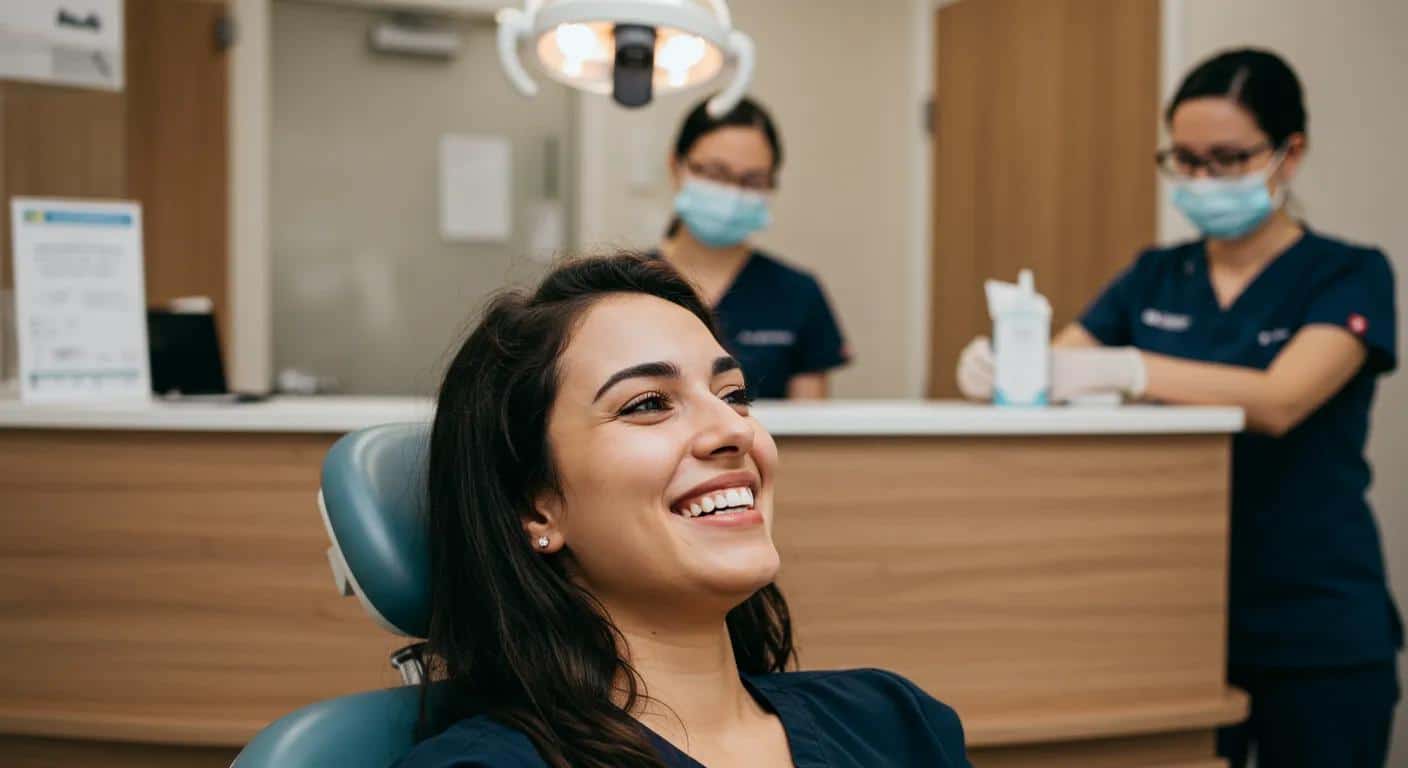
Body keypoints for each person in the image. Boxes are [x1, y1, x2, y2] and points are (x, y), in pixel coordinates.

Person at [958, 48, 1400, 767]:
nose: (1202, 180)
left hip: (1315, 617)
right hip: (1168, 617)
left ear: (1290, 154)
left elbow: (1282, 401)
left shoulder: (1349, 274)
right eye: (1185, 161)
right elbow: (1057, 364)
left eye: (1226, 159)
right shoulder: (1156, 276)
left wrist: (1130, 367)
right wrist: (1010, 366)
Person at [401, 253, 969, 767]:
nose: (733, 430)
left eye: (734, 395)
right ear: (537, 507)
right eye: (648, 403)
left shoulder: (894, 723)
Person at [653, 96, 849, 400]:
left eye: (753, 179)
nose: (733, 192)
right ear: (675, 167)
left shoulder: (798, 294)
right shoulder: (627, 287)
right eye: (716, 173)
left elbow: (811, 430)